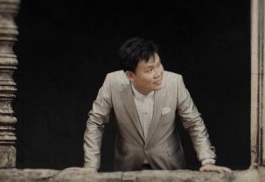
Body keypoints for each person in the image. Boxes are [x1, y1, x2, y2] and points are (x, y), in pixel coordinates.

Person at [81, 37, 231, 173]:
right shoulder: (112, 82)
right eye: (149, 70)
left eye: (159, 65)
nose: (158, 73)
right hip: (128, 166)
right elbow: (96, 121)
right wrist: (91, 165)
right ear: (130, 76)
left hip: (169, 165)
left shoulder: (175, 82)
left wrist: (207, 161)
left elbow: (194, 122)